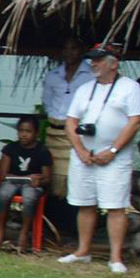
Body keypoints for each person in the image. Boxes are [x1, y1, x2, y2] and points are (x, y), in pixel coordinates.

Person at [59, 44, 140, 274]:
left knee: (115, 206)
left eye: (98, 60)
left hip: (114, 158)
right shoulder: (85, 88)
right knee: (85, 203)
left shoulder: (130, 88)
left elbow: (135, 121)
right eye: (92, 60)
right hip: (85, 156)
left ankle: (115, 258)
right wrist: (80, 150)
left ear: (113, 64)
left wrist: (113, 150)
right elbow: (70, 122)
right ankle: (82, 251)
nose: (93, 64)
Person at [39, 35, 91, 198]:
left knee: (71, 176)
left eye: (73, 48)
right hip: (54, 133)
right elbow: (47, 103)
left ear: (81, 51)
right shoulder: (53, 75)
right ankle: (51, 217)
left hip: (76, 134)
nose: (69, 52)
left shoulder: (90, 75)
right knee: (51, 175)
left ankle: (69, 218)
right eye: (66, 48)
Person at [0, 115, 51, 252]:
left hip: (31, 185)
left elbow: (47, 178)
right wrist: (12, 177)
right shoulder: (10, 148)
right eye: (21, 131)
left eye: (28, 131)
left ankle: (23, 234)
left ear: (36, 133)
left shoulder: (42, 151)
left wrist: (38, 180)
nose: (24, 135)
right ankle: (0, 231)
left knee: (29, 198)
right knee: (3, 194)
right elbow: (3, 175)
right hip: (12, 182)